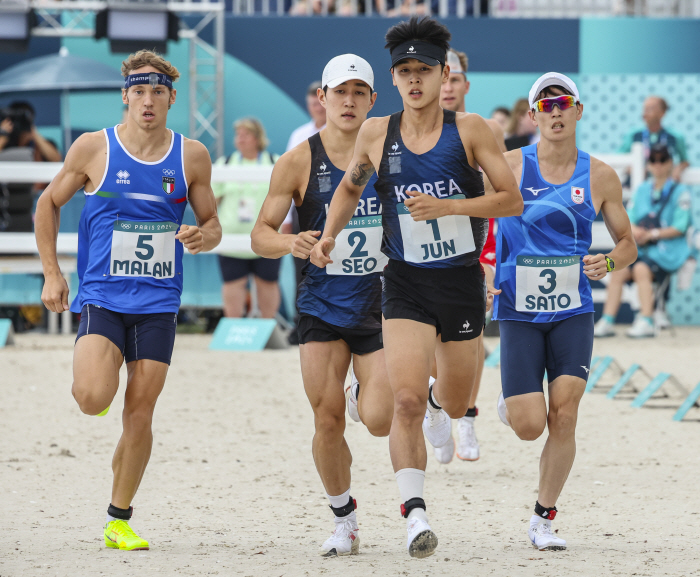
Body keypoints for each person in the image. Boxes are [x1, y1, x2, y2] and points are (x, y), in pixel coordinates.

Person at [310, 16, 522, 558]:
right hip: (403, 282)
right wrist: (328, 237)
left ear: (442, 73)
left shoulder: (471, 130)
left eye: (423, 70)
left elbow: (511, 199)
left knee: (452, 402)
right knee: (402, 401)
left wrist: (450, 206)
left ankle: (437, 400)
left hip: (459, 283)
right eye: (403, 71)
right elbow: (348, 190)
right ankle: (415, 516)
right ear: (395, 77)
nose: (414, 80)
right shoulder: (377, 133)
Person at [35, 50, 221, 551]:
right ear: (125, 95)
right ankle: (96, 375)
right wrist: (52, 273)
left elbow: (213, 224)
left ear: (171, 98)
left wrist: (205, 236)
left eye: (157, 91)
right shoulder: (94, 148)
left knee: (141, 410)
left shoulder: (191, 155)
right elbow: (46, 204)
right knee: (93, 397)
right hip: (103, 295)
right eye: (138, 91)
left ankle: (119, 518)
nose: (147, 101)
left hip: (159, 300)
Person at [251, 54, 393, 558]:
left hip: (380, 305)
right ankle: (343, 517)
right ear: (323, 99)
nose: (349, 101)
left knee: (379, 420)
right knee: (326, 419)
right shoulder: (297, 161)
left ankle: (359, 396)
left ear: (373, 101)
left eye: (360, 92)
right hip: (321, 305)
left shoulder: (390, 152)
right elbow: (259, 235)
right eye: (340, 92)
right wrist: (288, 243)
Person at [490, 73, 637, 551]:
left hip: (572, 308)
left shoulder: (600, 175)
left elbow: (628, 244)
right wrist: (485, 266)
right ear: (532, 116)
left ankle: (543, 518)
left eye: (563, 103)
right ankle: (513, 402)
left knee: (565, 413)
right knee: (531, 425)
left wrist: (609, 261)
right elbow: (473, 213)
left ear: (578, 111)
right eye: (545, 104)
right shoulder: (510, 166)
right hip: (517, 307)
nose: (555, 111)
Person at [432, 47, 506, 464]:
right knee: (426, 333)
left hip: (477, 238)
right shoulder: (409, 129)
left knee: (472, 332)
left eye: (454, 79)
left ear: (465, 84)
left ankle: (467, 417)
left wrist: (491, 256)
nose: (447, 87)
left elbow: (501, 194)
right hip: (429, 239)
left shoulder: (486, 129)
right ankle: (438, 405)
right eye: (441, 78)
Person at [595, 143, 692, 338]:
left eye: (662, 160)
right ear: (648, 165)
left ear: (670, 163)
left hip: (668, 252)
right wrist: (638, 231)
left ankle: (647, 319)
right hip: (645, 250)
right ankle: (607, 319)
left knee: (640, 269)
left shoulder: (681, 191)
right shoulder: (642, 190)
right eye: (653, 160)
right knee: (619, 269)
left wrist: (652, 235)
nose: (658, 165)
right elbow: (628, 217)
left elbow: (680, 227)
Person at [214, 117, 280, 318]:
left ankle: (269, 327)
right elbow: (212, 202)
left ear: (258, 138)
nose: (241, 139)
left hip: (266, 236)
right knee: (233, 283)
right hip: (231, 236)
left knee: (267, 282)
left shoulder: (275, 162)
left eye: (246, 134)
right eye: (238, 135)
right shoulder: (225, 164)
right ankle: (233, 328)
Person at [619, 96, 689, 181]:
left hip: (664, 187)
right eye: (645, 109)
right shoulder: (634, 135)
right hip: (637, 186)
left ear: (662, 113)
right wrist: (631, 168)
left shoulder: (675, 137)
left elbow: (685, 161)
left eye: (650, 109)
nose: (645, 113)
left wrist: (678, 169)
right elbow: (619, 158)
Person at [286, 81, 327, 152]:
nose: (319, 109)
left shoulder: (340, 132)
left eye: (321, 103)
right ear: (308, 106)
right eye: (314, 104)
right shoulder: (298, 135)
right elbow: (289, 162)